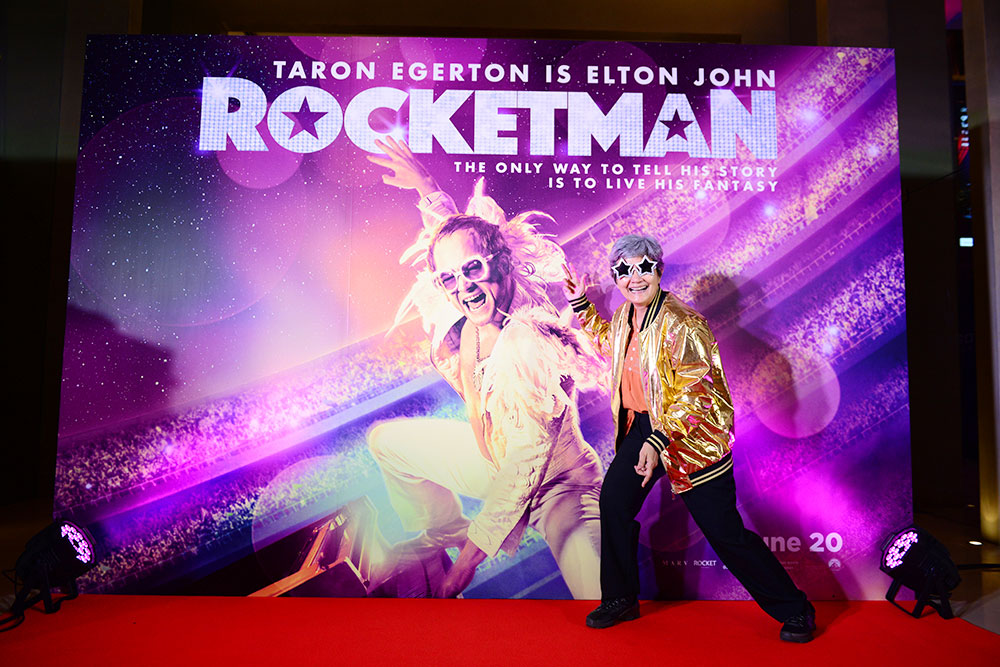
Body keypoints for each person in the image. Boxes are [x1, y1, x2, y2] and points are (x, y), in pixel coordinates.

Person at [365, 137, 605, 599]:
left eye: (473, 270)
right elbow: (458, 243)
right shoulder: (467, 297)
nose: (463, 287)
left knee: (598, 592)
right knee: (386, 443)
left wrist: (465, 567)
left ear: (505, 263)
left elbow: (526, 462)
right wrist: (426, 186)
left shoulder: (529, 337)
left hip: (556, 485)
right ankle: (445, 530)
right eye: (449, 278)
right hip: (492, 460)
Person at [564, 234, 816, 642]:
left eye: (643, 267)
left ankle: (796, 609)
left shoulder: (684, 323)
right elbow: (610, 344)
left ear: (659, 270)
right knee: (613, 503)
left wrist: (659, 439)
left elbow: (697, 394)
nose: (634, 278)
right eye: (624, 271)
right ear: (615, 278)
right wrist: (581, 305)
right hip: (643, 428)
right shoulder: (626, 316)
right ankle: (620, 598)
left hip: (692, 439)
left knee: (725, 533)